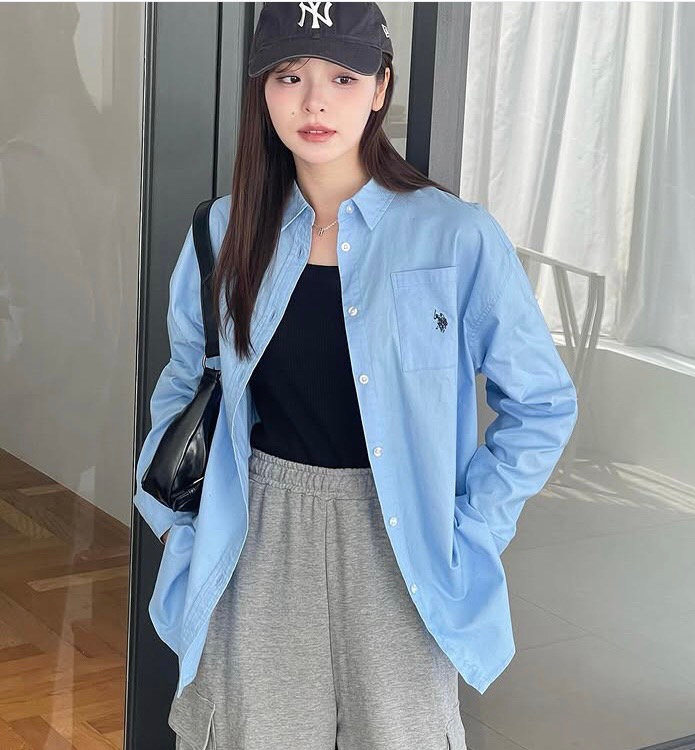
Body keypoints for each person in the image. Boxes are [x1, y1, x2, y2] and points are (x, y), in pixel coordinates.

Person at [133, 2, 578, 748]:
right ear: (262, 90)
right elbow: (184, 383)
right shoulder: (223, 230)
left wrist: (471, 529)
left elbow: (541, 403)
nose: (314, 102)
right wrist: (182, 530)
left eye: (342, 77)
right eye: (289, 76)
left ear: (381, 88)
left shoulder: (455, 235)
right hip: (256, 536)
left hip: (401, 543)